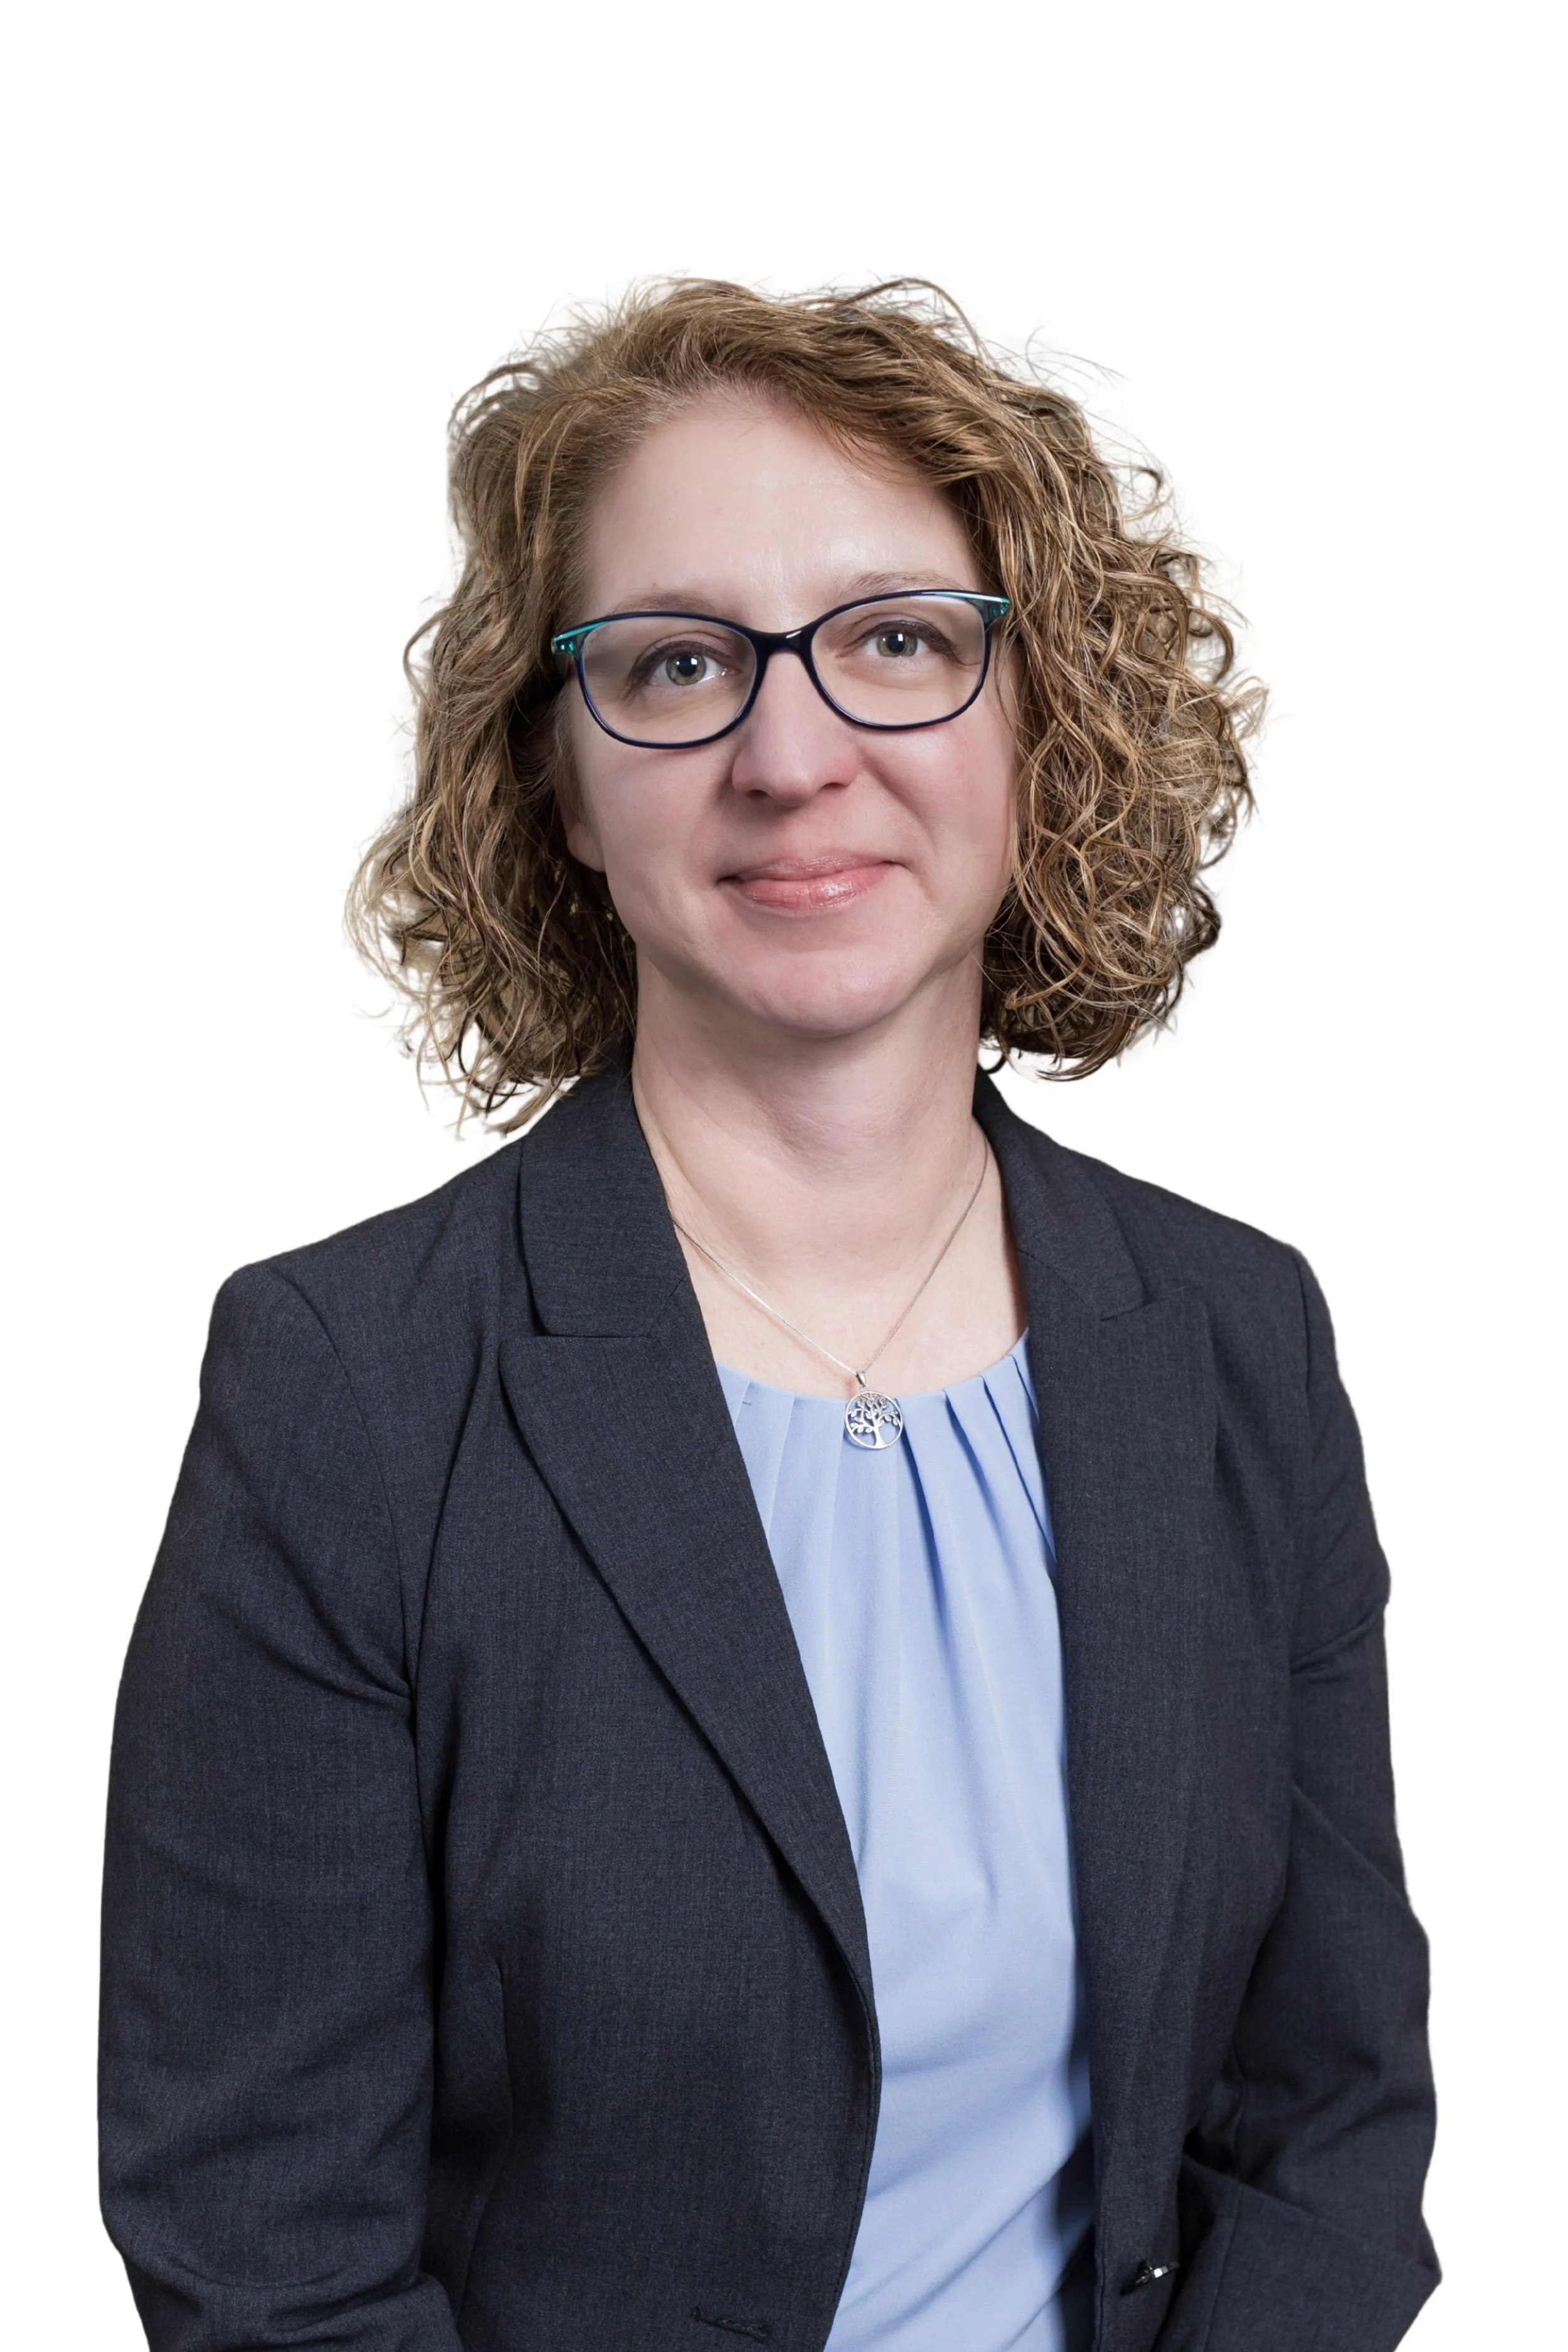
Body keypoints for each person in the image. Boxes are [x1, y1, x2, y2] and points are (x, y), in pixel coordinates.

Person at [99, 280, 1438, 2352]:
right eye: (675, 663)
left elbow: (1325, 2118)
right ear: (556, 782)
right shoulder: (346, 1392)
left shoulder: (1233, 1337)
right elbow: (262, 2252)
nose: (788, 754)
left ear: (1036, 719)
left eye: (897, 641)